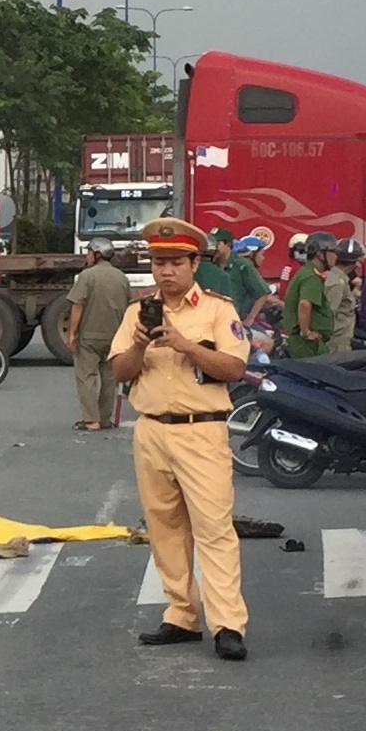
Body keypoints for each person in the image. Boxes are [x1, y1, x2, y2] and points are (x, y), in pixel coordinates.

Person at [110, 218, 249, 661]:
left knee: (213, 528)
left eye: (175, 262)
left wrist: (187, 345)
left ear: (194, 263)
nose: (165, 271)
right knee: (165, 528)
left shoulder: (217, 309)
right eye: (158, 262)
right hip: (151, 429)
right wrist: (139, 346)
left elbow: (233, 369)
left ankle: (227, 624)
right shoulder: (138, 312)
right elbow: (119, 372)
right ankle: (181, 615)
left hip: (201, 429)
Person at [62, 243, 134, 431]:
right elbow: (129, 306)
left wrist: (72, 332)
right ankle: (104, 419)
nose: (87, 256)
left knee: (86, 377)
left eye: (89, 252)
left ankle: (91, 420)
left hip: (89, 336)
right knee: (110, 377)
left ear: (98, 254)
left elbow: (77, 304)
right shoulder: (121, 278)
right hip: (114, 336)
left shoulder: (87, 276)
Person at [284, 237, 356, 357]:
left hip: (309, 344)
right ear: (320, 254)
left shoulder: (309, 273)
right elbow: (304, 304)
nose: (336, 257)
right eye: (332, 252)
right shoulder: (311, 277)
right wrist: (306, 332)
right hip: (307, 346)